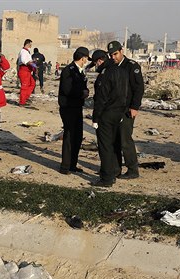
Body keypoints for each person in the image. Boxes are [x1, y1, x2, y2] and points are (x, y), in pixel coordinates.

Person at [90, 49, 129, 187]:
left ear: (100, 60)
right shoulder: (122, 71)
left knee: (105, 146)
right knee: (113, 144)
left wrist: (95, 118)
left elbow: (101, 99)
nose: (96, 65)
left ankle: (106, 178)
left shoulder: (105, 75)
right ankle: (113, 172)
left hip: (106, 114)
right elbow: (126, 94)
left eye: (96, 62)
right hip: (119, 112)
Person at [108, 40, 142, 180]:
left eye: (115, 54)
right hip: (114, 108)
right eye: (111, 55)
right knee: (114, 139)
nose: (113, 57)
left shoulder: (131, 66)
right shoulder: (111, 66)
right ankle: (116, 168)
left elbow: (138, 88)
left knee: (125, 139)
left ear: (121, 51)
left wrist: (134, 107)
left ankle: (132, 169)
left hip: (127, 109)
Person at [58, 47, 90, 174]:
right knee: (69, 136)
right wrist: (82, 93)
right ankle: (65, 166)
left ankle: (73, 164)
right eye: (86, 58)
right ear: (83, 58)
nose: (87, 61)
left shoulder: (80, 71)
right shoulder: (69, 70)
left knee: (78, 137)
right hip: (68, 108)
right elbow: (67, 89)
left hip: (77, 107)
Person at [16, 39, 35, 106]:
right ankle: (22, 102)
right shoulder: (23, 51)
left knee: (32, 83)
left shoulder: (27, 52)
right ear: (28, 44)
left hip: (28, 71)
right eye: (30, 43)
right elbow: (23, 60)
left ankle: (26, 97)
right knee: (24, 86)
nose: (31, 45)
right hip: (24, 70)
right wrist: (31, 63)